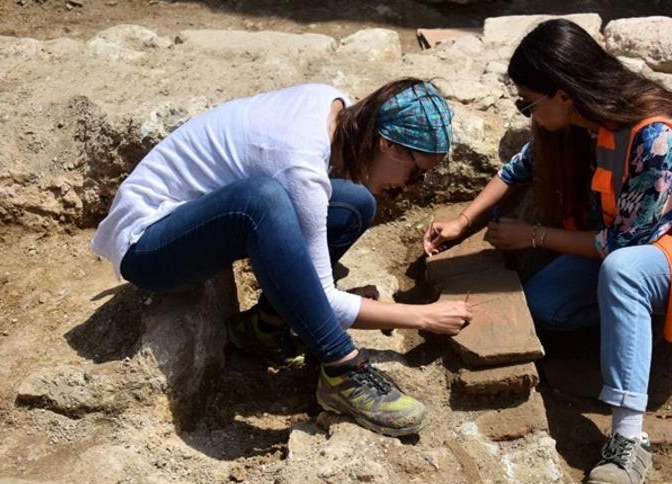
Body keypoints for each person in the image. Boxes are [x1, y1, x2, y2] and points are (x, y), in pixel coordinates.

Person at [424, 20, 672, 484]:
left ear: (562, 94)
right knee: (546, 308)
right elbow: (519, 168)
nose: (527, 111)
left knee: (622, 273)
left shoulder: (656, 137)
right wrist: (464, 222)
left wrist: (535, 236)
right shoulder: (587, 121)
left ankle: (628, 436)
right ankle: (632, 324)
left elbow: (622, 245)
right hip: (639, 246)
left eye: (529, 101)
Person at [91, 79, 473, 437]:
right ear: (389, 145)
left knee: (353, 204)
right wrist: (423, 316)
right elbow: (324, 299)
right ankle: (343, 371)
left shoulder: (333, 106)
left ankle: (264, 328)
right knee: (262, 199)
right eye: (416, 172)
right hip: (148, 244)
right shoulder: (299, 162)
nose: (410, 187)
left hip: (198, 220)